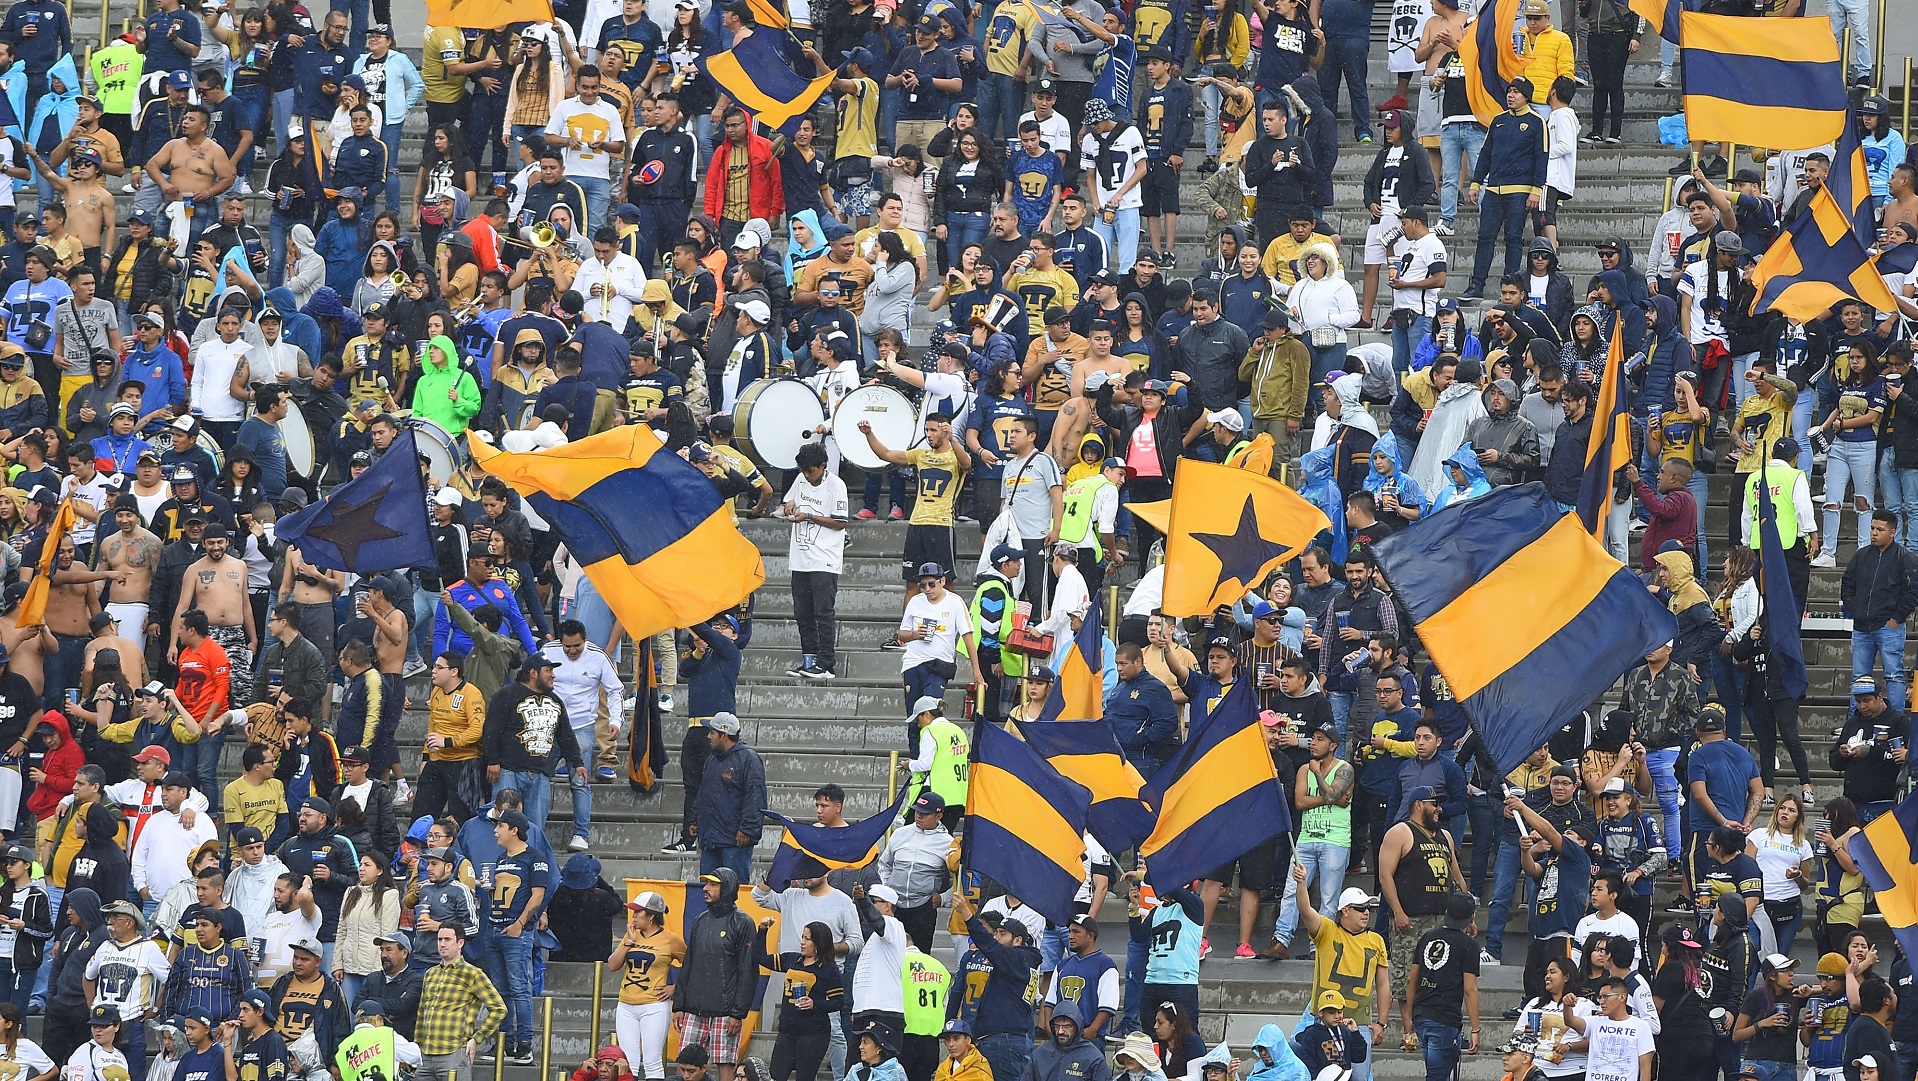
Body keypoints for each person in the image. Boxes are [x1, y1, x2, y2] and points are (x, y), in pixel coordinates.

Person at [674, 870, 756, 1081]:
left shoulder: (743, 922)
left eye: (712, 885)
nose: (705, 889)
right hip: (693, 1009)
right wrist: (679, 1005)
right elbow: (688, 963)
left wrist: (738, 1013)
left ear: (726, 889)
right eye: (706, 884)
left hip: (726, 1012)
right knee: (685, 1064)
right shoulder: (700, 920)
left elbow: (748, 970)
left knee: (725, 1065)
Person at [1404, 892, 1482, 1077]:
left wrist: (1410, 1016)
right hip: (1445, 1018)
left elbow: (1410, 980)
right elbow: (1470, 989)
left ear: (1447, 912)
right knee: (1438, 1075)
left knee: (1437, 1072)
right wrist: (1476, 1029)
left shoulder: (1427, 936)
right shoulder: (1469, 946)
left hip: (1421, 1014)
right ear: (1472, 917)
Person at [415, 923, 504, 1081]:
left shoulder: (473, 974)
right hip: (425, 1055)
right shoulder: (430, 973)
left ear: (460, 943)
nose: (442, 944)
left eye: (448, 939)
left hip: (453, 1053)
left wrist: (477, 1039)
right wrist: (417, 1046)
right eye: (440, 939)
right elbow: (422, 1011)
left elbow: (499, 1009)